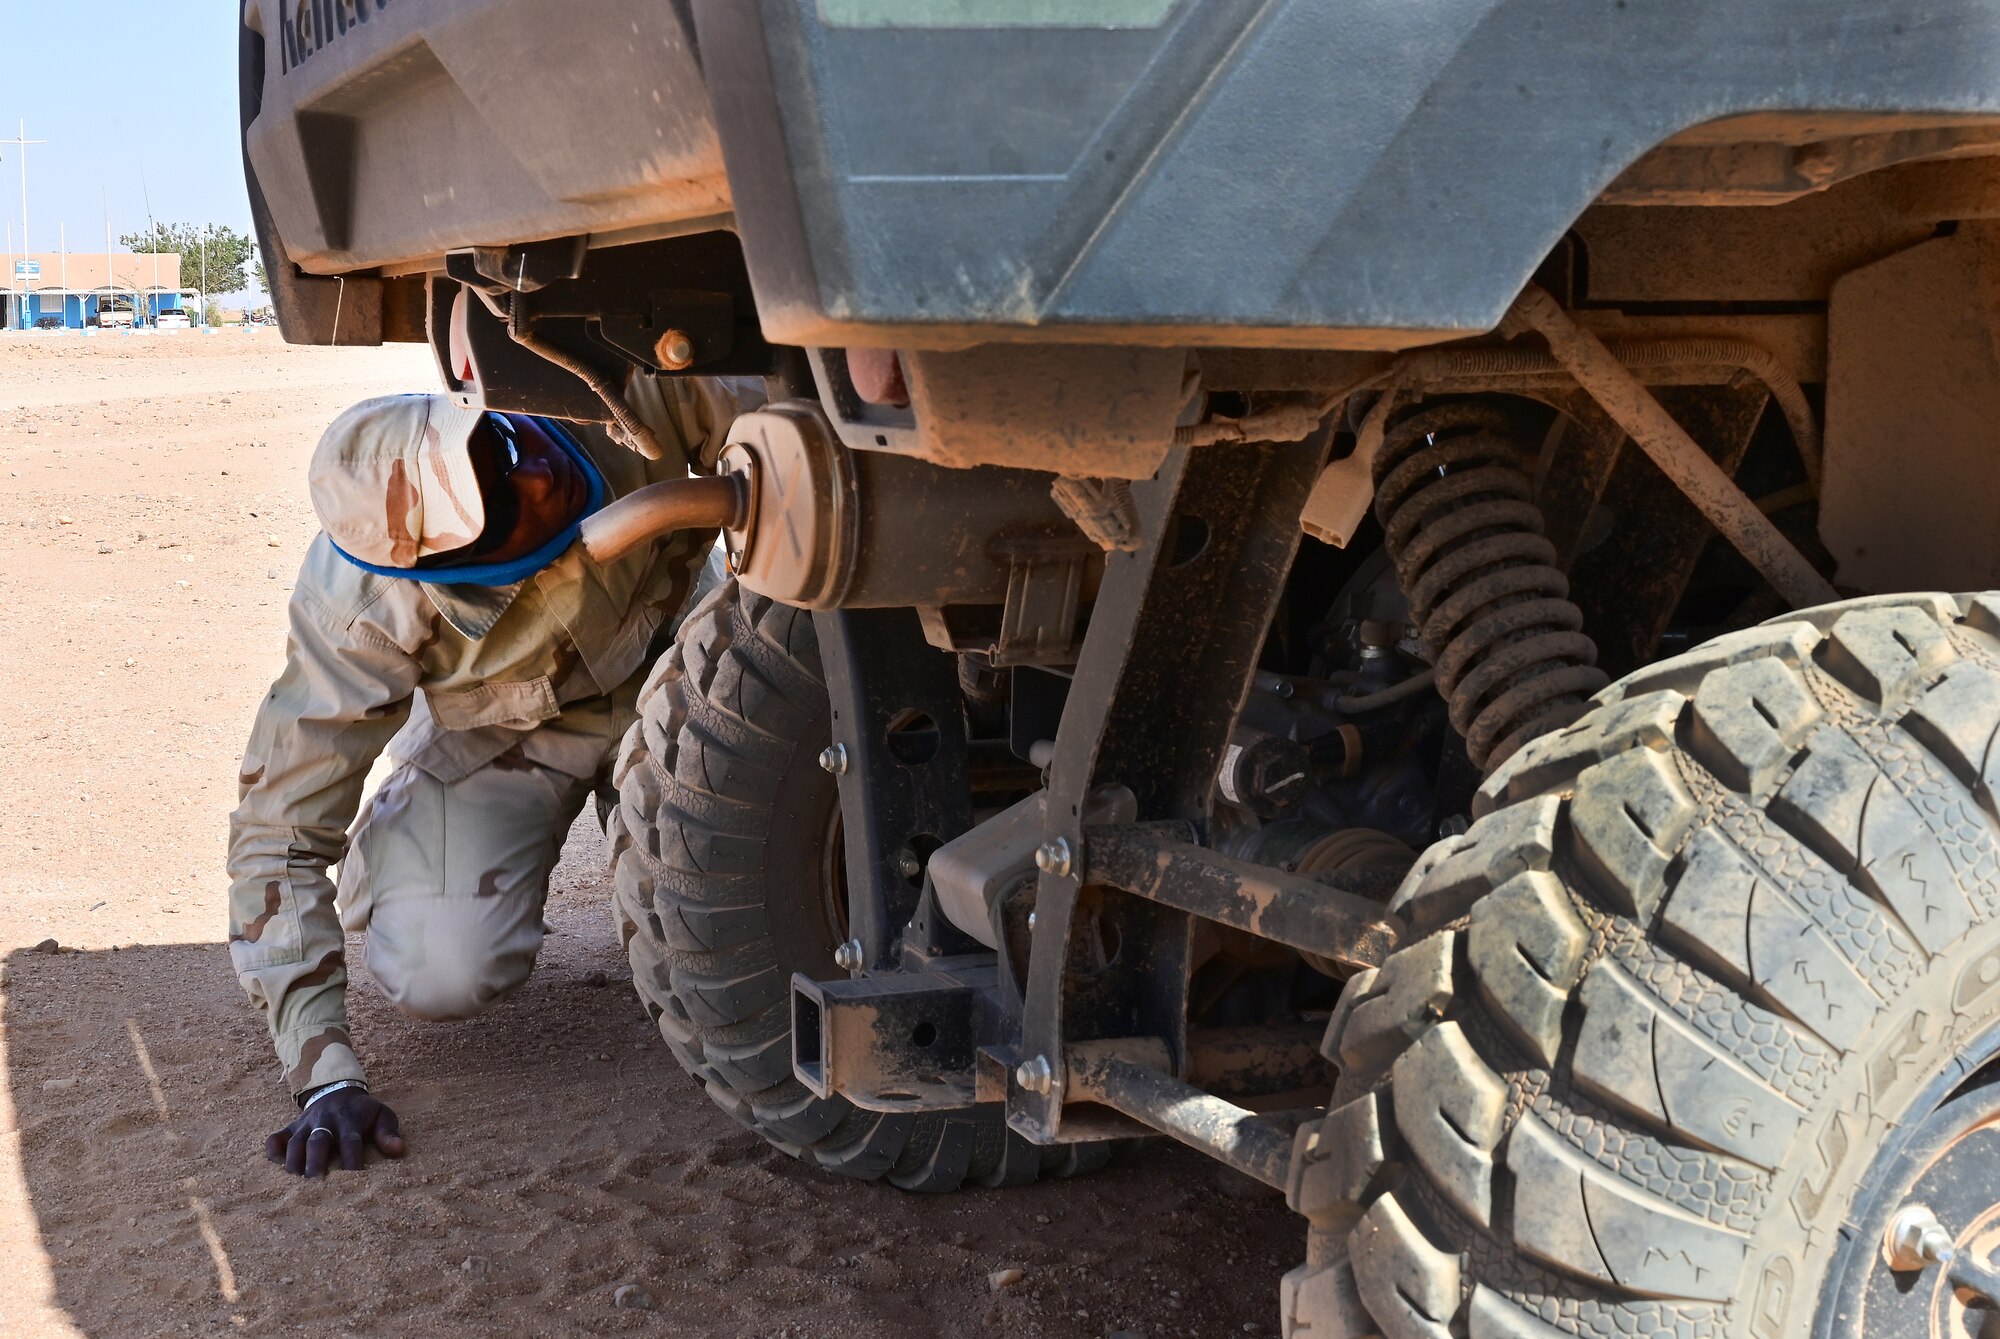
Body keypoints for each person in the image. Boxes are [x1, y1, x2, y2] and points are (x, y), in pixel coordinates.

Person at [228, 376, 756, 1177]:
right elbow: (280, 835)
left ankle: (654, 830)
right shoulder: (362, 612)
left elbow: (795, 425)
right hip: (509, 737)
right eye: (504, 512)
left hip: (675, 668)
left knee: (752, 917)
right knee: (441, 969)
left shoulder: (609, 392)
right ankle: (412, 840)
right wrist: (323, 1075)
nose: (539, 478)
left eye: (500, 450)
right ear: (454, 579)